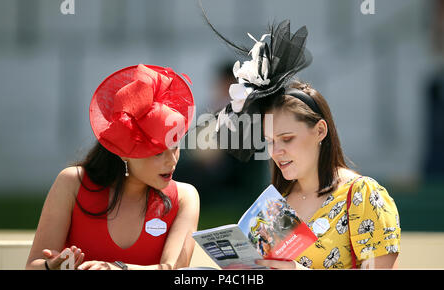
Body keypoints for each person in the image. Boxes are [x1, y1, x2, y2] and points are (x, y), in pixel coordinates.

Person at [207, 18, 401, 269]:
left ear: (320, 131)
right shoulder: (276, 204)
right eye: (269, 141)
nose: (276, 152)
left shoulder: (361, 194)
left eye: (287, 138)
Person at [26, 64, 200, 270]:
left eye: (176, 146)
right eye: (158, 152)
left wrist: (118, 268)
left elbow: (175, 270)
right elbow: (33, 266)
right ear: (123, 152)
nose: (172, 160)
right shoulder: (71, 183)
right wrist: (50, 267)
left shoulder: (184, 197)